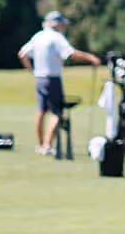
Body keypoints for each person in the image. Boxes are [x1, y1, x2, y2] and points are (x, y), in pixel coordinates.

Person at [17, 13, 99, 155]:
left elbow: (22, 54)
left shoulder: (38, 36)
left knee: (41, 111)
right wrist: (90, 58)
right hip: (52, 79)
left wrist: (32, 71)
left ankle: (40, 145)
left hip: (39, 79)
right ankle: (47, 146)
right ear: (57, 24)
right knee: (57, 112)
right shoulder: (56, 37)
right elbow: (70, 53)